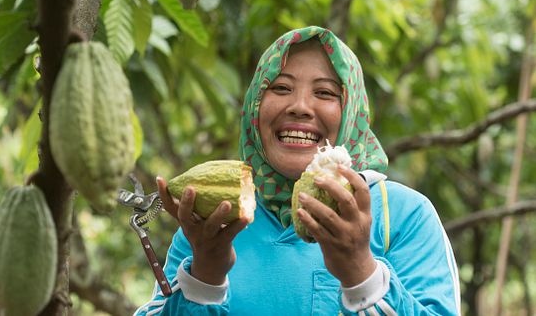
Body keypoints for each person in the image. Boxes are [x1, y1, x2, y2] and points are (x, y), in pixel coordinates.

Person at [134, 26, 460, 315]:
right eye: (280, 88)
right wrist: (204, 276)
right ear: (253, 109)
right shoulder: (214, 222)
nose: (300, 106)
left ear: (352, 113)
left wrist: (361, 273)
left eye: (325, 93)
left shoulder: (402, 216)